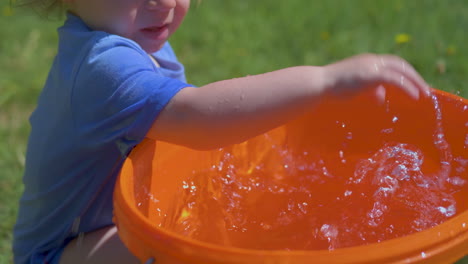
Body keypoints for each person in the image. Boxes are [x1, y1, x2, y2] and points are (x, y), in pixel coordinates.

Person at [12, 0, 431, 263]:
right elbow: (198, 119)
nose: (163, 1)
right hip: (62, 254)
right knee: (180, 251)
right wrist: (324, 83)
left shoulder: (131, 37)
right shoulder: (102, 66)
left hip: (109, 228)